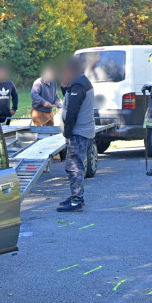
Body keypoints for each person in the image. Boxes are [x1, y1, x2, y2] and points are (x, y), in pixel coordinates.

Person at [57, 57, 95, 212]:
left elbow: (72, 111)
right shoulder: (80, 82)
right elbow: (70, 100)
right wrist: (64, 87)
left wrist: (67, 132)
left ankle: (76, 200)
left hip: (78, 133)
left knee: (75, 167)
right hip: (84, 131)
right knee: (74, 165)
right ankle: (75, 195)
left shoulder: (79, 86)